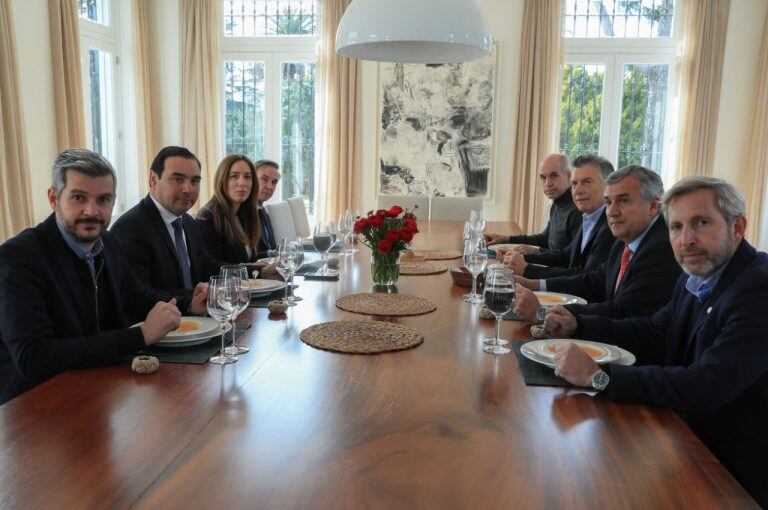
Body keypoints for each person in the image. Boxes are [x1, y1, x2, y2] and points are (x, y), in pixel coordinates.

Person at [548, 176, 768, 506]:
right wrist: (577, 324)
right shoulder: (697, 275)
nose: (686, 239)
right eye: (676, 227)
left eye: (701, 223)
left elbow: (706, 384)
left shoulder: (758, 289)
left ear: (738, 227)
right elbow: (653, 331)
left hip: (730, 473)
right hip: (683, 439)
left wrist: (599, 376)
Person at [0, 149, 207, 404]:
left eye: (103, 200)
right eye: (79, 198)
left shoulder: (106, 242)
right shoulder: (18, 258)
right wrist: (139, 335)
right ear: (54, 198)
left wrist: (189, 304)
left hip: (104, 391)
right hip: (35, 406)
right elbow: (34, 358)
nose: (92, 211)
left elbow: (139, 298)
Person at [514, 165, 681, 322]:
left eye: (623, 201)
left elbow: (623, 312)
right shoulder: (626, 239)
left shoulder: (662, 248)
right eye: (609, 202)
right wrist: (534, 283)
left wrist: (543, 312)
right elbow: (595, 281)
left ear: (653, 206)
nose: (612, 212)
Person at [111, 146, 223, 295]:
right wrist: (191, 300)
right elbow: (138, 295)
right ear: (153, 179)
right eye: (178, 179)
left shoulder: (189, 222)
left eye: (194, 181)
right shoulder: (130, 228)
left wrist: (251, 270)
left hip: (197, 317)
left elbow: (206, 266)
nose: (188, 189)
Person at [501, 154, 615, 279]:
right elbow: (565, 256)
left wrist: (528, 270)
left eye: (586, 182)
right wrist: (519, 258)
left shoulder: (610, 226)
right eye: (574, 183)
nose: (578, 190)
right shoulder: (589, 216)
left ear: (608, 186)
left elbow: (588, 279)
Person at [485, 154, 581, 255]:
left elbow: (569, 259)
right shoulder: (557, 203)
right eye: (543, 177)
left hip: (552, 269)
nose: (548, 183)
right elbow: (544, 239)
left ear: (569, 175)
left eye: (554, 176)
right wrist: (506, 239)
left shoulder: (578, 209)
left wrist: (536, 251)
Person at [196, 154, 262, 263]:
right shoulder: (208, 217)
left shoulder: (243, 212)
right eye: (234, 176)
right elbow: (209, 268)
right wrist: (257, 270)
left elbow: (248, 257)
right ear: (222, 180)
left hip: (250, 280)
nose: (242, 183)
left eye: (247, 177)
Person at [254, 159, 280, 257]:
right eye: (264, 179)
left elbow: (269, 248)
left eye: (274, 182)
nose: (270, 186)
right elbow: (247, 258)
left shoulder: (264, 212)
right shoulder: (240, 214)